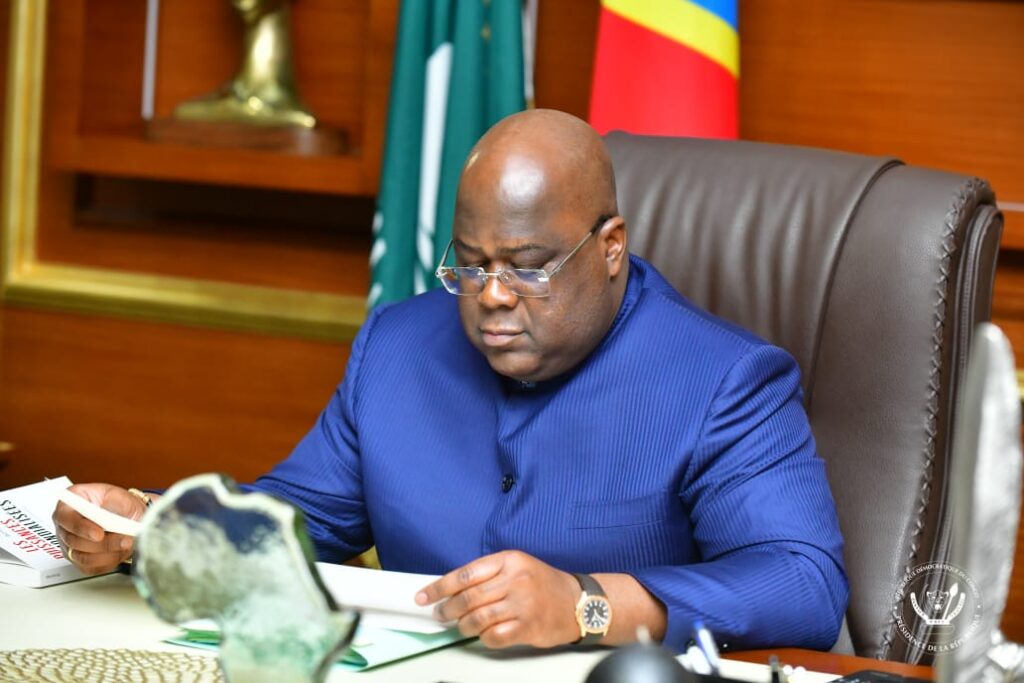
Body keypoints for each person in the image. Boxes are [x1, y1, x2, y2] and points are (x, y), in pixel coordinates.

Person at [54, 109, 848, 653]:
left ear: (611, 246)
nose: (492, 294)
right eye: (471, 264)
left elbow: (803, 584)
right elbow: (299, 522)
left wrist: (586, 603)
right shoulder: (398, 347)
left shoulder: (724, 381)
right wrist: (153, 522)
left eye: (528, 267)